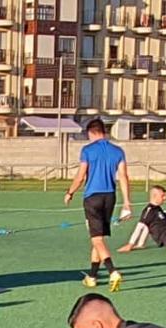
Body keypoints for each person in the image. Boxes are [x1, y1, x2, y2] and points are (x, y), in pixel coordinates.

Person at [64, 119, 132, 290]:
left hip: (92, 197)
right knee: (98, 238)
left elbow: (80, 176)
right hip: (110, 197)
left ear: (92, 132)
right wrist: (126, 202)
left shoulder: (87, 150)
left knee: (96, 238)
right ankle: (92, 276)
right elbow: (123, 176)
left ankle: (112, 272)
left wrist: (70, 192)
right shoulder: (118, 151)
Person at [118, 185, 166, 253]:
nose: (165, 198)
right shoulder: (149, 210)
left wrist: (141, 244)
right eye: (162, 196)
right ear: (154, 196)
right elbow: (140, 226)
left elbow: (147, 226)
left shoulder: (158, 208)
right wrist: (130, 244)